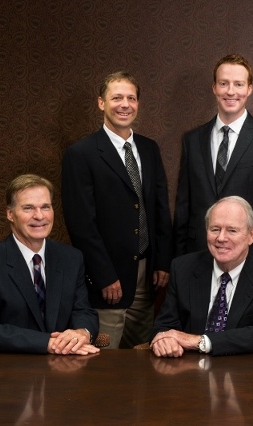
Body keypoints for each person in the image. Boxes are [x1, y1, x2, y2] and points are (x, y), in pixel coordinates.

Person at [61, 71, 172, 348]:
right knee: (106, 361)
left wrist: (162, 262)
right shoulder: (81, 154)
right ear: (101, 103)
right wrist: (105, 275)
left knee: (143, 357)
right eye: (117, 98)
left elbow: (159, 208)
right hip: (108, 278)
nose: (125, 104)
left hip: (147, 275)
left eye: (131, 98)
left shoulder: (148, 149)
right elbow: (81, 223)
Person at [173, 54, 253, 262]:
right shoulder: (192, 140)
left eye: (238, 84)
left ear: (249, 89)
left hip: (251, 259)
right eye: (224, 83)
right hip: (197, 256)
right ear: (214, 88)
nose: (230, 91)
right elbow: (183, 208)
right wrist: (178, 261)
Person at [0, 174, 100, 355]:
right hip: (8, 371)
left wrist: (82, 332)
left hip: (65, 370)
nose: (39, 216)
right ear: (10, 214)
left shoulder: (72, 259)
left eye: (46, 207)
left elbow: (84, 311)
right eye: (28, 208)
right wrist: (47, 343)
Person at [150, 196, 253, 357]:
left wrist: (200, 341)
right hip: (189, 372)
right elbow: (164, 325)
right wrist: (164, 340)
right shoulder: (183, 268)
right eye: (215, 229)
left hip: (248, 373)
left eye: (232, 230)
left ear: (251, 235)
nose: (221, 238)